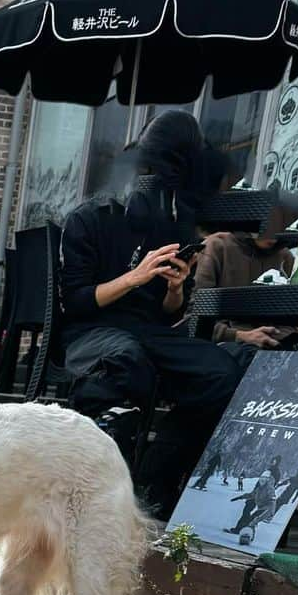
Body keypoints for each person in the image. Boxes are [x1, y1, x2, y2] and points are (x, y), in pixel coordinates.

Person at [59, 110, 245, 520]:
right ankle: (89, 489)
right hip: (92, 332)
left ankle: (155, 476)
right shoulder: (88, 219)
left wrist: (176, 288)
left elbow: (167, 316)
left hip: (148, 333)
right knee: (126, 359)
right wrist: (134, 277)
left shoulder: (169, 227)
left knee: (220, 374)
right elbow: (75, 302)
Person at [192, 210, 297, 351]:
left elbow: (293, 315)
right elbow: (193, 316)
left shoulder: (285, 257)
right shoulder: (216, 247)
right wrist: (237, 335)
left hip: (275, 342)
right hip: (227, 343)